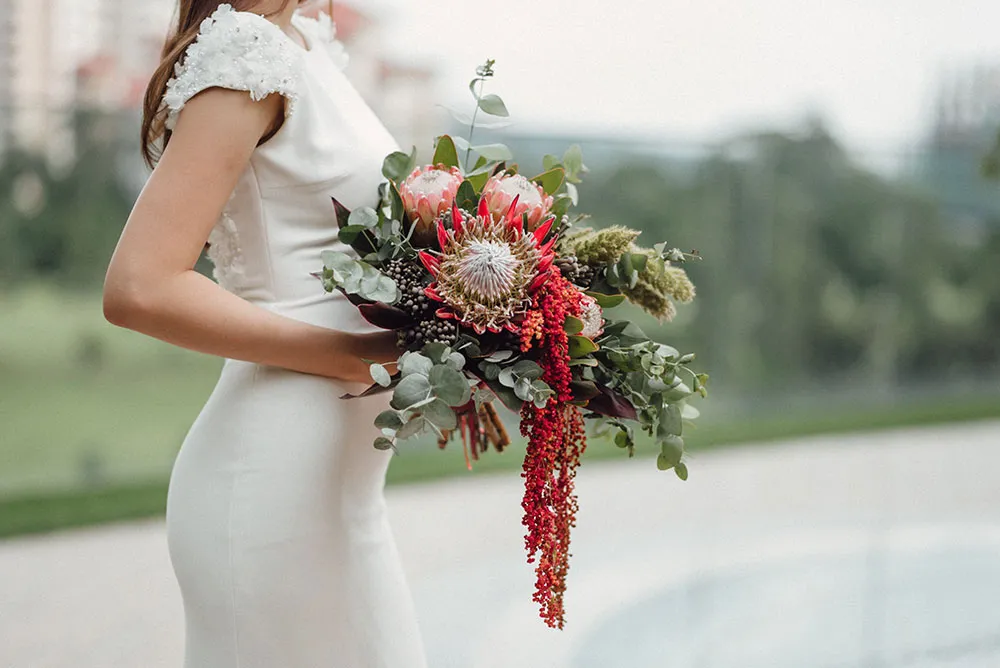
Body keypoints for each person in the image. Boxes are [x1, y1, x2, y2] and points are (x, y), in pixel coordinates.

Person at [102, 1, 428, 665]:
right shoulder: (246, 57)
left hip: (345, 495)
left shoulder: (306, 40)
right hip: (269, 485)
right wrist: (353, 356)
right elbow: (140, 286)